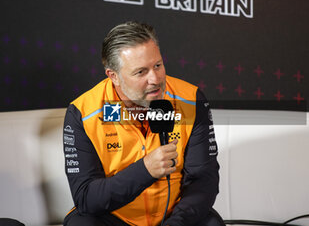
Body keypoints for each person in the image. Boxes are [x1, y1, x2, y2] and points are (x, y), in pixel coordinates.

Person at [63, 21, 224, 226]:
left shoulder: (191, 99)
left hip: (174, 217)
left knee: (211, 224)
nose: (155, 79)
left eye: (158, 65)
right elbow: (86, 198)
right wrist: (145, 170)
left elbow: (204, 181)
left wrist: (176, 223)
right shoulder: (83, 113)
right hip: (114, 218)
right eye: (141, 72)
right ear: (114, 76)